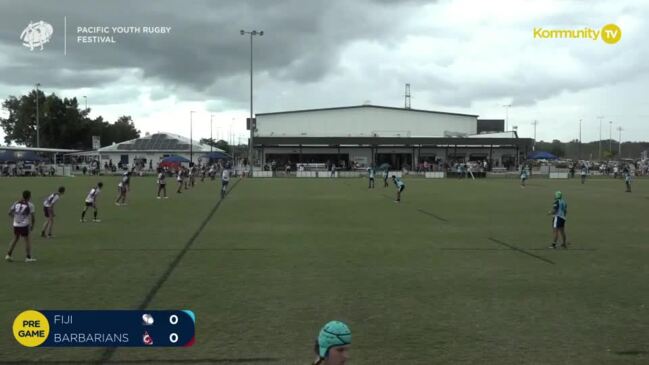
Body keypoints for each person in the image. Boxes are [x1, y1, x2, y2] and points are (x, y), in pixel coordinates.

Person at [5, 190, 36, 262]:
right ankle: (28, 257)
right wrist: (32, 226)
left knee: (15, 238)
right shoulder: (30, 205)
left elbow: (9, 212)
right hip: (24, 225)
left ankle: (8, 255)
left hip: (16, 224)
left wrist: (16, 218)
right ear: (29, 197)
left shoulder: (16, 203)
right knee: (27, 240)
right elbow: (33, 218)